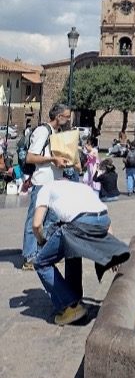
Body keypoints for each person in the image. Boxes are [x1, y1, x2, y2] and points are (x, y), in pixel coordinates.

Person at [31, 178, 129, 325]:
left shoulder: (46, 188)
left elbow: (37, 224)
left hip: (80, 224)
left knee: (41, 262)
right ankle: (75, 297)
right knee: (72, 248)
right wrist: (110, 248)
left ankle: (71, 306)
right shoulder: (81, 187)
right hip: (101, 220)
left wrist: (42, 242)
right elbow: (103, 217)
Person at [21, 103, 72, 270]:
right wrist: (52, 160)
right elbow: (30, 157)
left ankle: (45, 253)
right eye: (66, 116)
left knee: (52, 221)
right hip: (42, 183)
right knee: (35, 220)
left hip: (55, 182)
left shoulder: (57, 133)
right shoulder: (43, 131)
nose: (68, 119)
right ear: (58, 117)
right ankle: (29, 257)